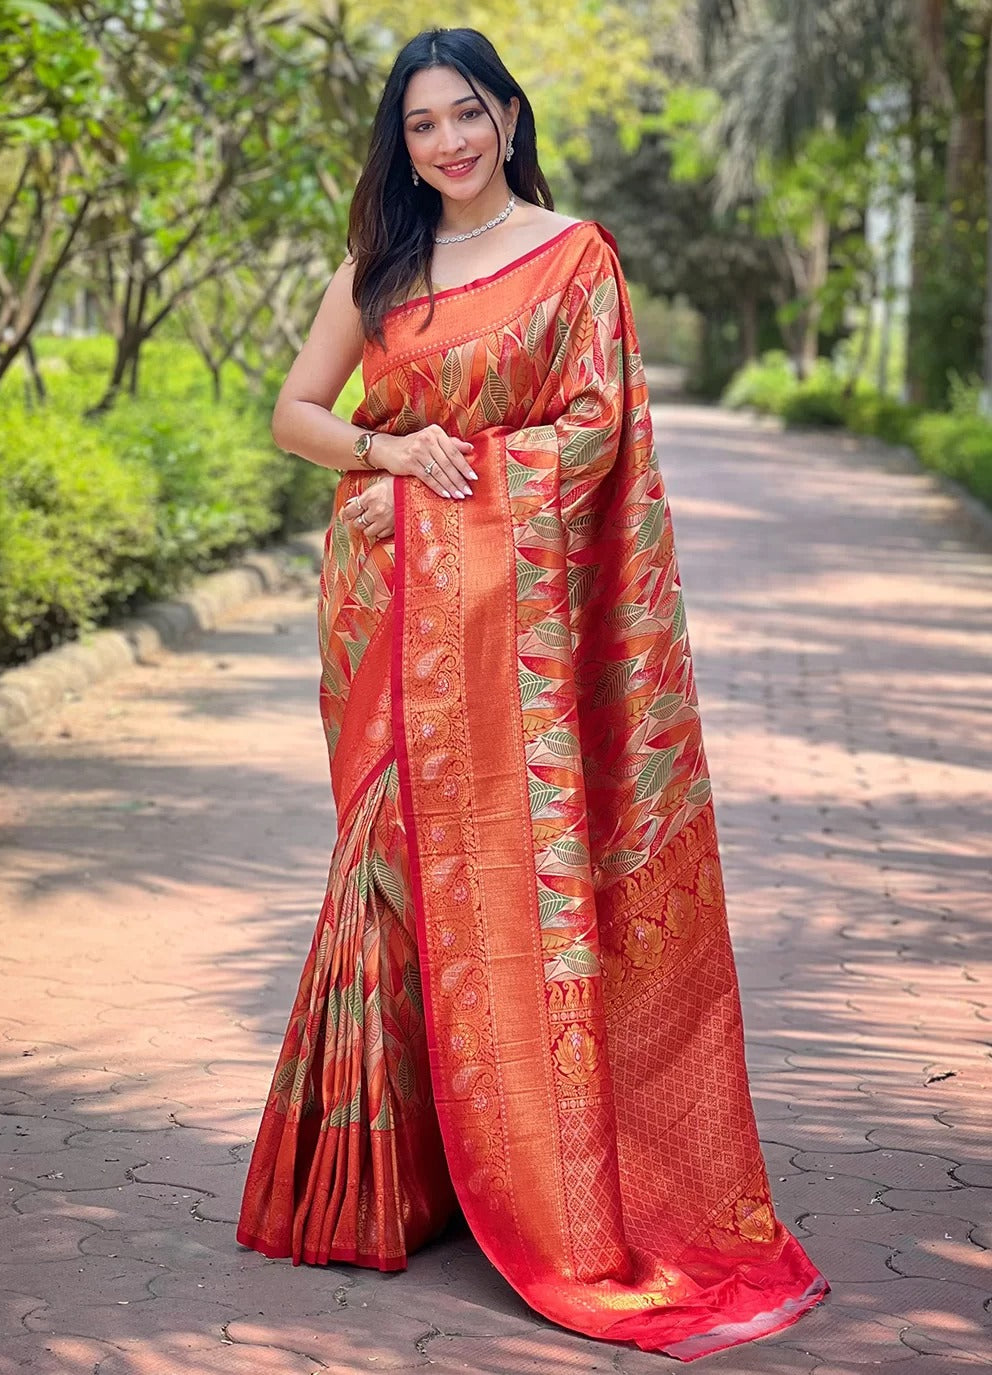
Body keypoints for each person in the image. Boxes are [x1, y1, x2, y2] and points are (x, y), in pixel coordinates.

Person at [236, 25, 828, 1363]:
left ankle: (523, 1169)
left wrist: (480, 480)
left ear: (508, 116)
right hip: (388, 617)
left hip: (517, 628)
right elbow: (295, 413)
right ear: (403, 142)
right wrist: (394, 449)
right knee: (387, 868)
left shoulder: (573, 260)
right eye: (420, 124)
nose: (444, 142)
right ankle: (374, 1190)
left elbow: (599, 429)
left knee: (508, 879)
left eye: (465, 115)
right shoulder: (383, 267)